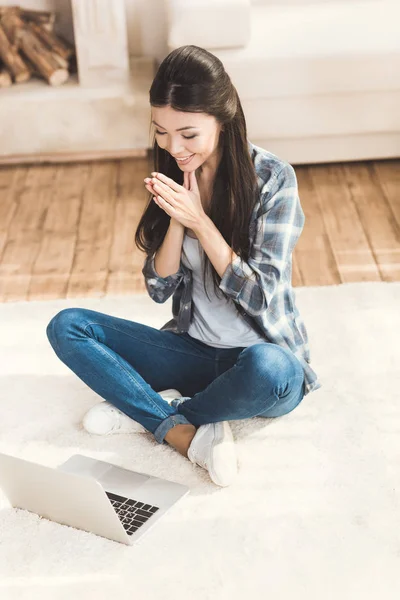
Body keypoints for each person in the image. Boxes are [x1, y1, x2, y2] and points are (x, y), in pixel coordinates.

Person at [46, 45, 321, 488]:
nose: (173, 147)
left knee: (270, 370)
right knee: (68, 326)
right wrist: (176, 219)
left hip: (260, 361)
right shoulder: (176, 169)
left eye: (188, 134)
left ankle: (157, 416)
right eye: (161, 131)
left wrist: (200, 221)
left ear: (222, 119)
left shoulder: (274, 179)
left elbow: (261, 295)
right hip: (194, 351)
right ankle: (190, 428)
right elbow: (159, 288)